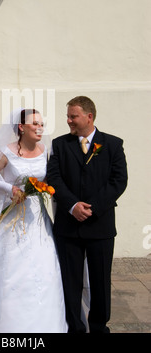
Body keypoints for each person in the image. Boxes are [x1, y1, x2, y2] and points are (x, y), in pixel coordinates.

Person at [0, 109, 67, 333]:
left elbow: (49, 180)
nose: (40, 127)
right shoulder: (7, 152)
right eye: (35, 123)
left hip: (38, 218)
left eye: (42, 123)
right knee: (11, 270)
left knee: (45, 268)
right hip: (14, 216)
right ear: (21, 127)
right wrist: (9, 188)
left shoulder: (45, 151)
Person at [47, 96, 128, 333]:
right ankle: (75, 326)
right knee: (70, 282)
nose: (69, 121)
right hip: (68, 225)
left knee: (101, 281)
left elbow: (119, 181)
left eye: (73, 116)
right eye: (68, 116)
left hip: (100, 225)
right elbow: (54, 178)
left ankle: (99, 326)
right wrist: (73, 206)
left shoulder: (112, 144)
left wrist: (91, 208)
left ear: (89, 116)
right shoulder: (60, 145)